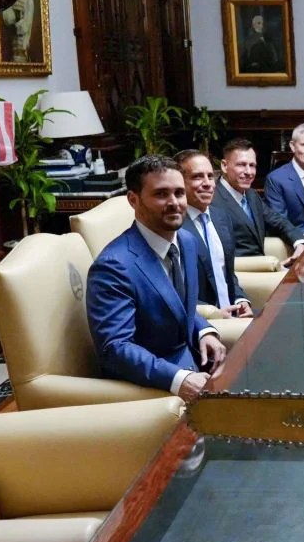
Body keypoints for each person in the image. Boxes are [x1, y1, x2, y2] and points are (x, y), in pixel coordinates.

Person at [86, 155, 226, 401]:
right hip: (151, 391)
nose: (174, 203)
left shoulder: (186, 241)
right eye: (161, 194)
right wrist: (179, 379)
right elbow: (115, 348)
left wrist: (204, 331)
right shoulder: (113, 266)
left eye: (179, 193)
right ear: (133, 200)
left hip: (197, 365)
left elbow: (176, 306)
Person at [174, 149, 253, 319]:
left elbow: (227, 273)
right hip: (203, 322)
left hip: (233, 315)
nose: (207, 183)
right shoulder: (173, 227)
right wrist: (212, 314)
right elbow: (175, 291)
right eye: (197, 177)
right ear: (178, 183)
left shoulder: (221, 217)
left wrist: (240, 299)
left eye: (210, 176)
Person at [210, 138, 304, 264]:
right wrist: (269, 266)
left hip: (264, 266)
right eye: (241, 165)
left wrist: (299, 243)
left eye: (252, 165)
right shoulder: (212, 200)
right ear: (224, 165)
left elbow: (277, 220)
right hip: (241, 271)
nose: (248, 172)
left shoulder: (251, 195)